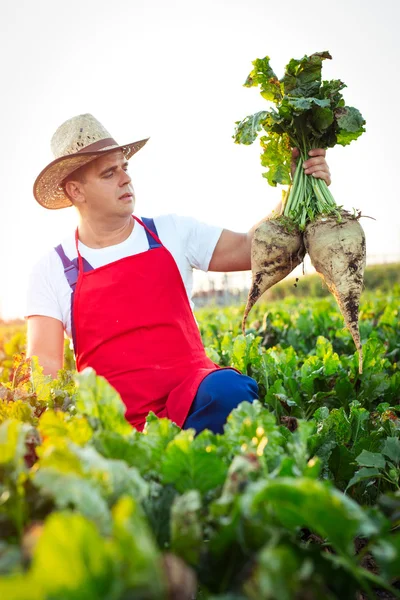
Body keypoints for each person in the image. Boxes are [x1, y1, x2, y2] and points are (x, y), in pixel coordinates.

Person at [26, 114, 331, 434]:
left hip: (192, 402)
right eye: (109, 173)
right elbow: (44, 375)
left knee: (229, 392)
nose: (125, 179)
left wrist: (297, 186)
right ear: (76, 190)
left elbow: (248, 246)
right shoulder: (52, 270)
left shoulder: (172, 232)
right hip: (114, 425)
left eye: (124, 168)